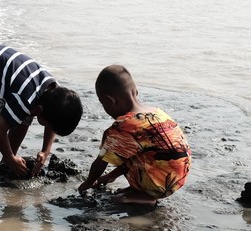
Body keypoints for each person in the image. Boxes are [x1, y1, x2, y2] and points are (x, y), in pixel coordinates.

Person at [0, 45, 83, 194]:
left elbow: (51, 124)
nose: (49, 127)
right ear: (40, 111)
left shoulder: (56, 93)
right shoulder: (25, 100)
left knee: (24, 117)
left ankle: (6, 164)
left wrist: (46, 151)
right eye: (48, 124)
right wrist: (10, 158)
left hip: (9, 71)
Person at [78, 65, 191, 205]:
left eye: (103, 104)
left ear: (109, 101)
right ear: (135, 91)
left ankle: (147, 197)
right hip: (179, 176)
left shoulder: (123, 126)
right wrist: (110, 176)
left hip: (160, 183)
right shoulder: (157, 113)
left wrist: (88, 183)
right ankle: (139, 190)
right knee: (133, 149)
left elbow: (101, 162)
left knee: (117, 147)